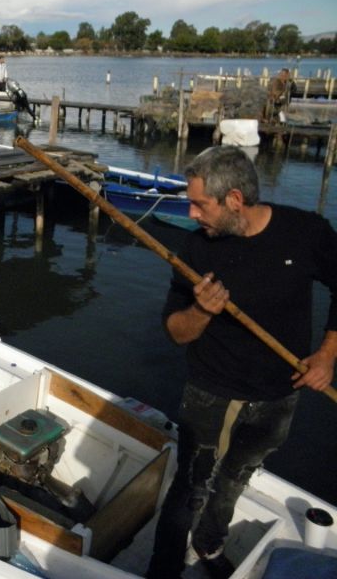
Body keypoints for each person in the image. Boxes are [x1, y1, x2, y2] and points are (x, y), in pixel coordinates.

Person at [146, 146, 337, 579]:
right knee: (190, 489)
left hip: (278, 396)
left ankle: (209, 545)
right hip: (211, 393)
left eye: (200, 204)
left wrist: (326, 356)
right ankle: (162, 569)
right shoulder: (196, 250)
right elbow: (176, 332)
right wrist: (202, 312)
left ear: (235, 200)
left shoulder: (307, 233)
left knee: (237, 476)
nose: (192, 214)